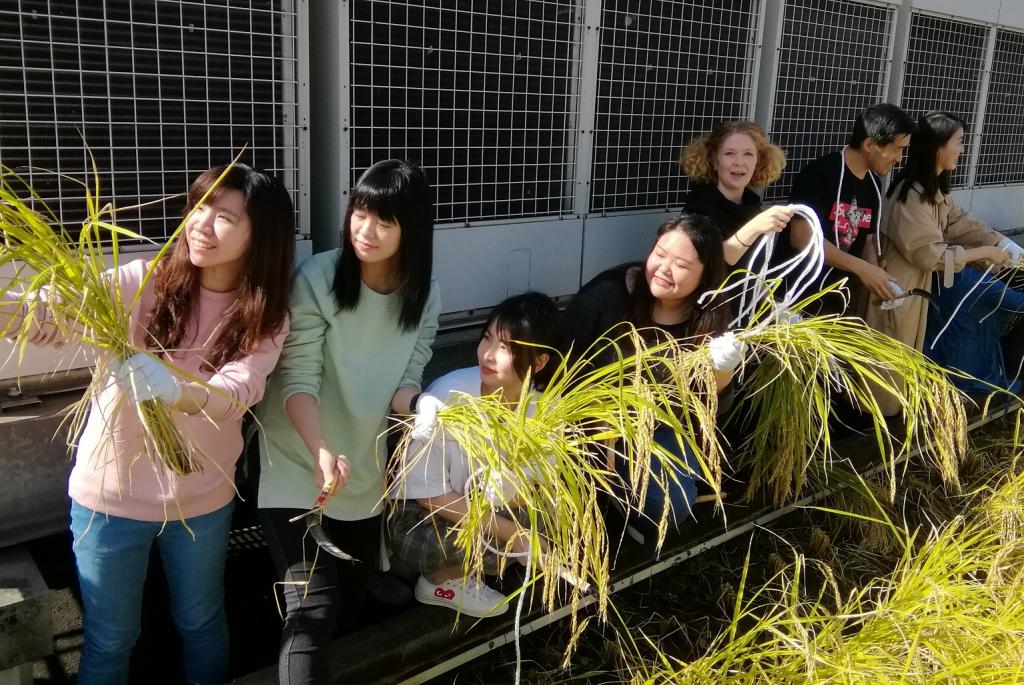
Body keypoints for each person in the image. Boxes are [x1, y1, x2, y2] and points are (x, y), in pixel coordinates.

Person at [1, 164, 295, 685]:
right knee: (111, 639)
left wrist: (177, 388)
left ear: (262, 235)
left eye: (225, 215)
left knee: (200, 621)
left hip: (201, 503)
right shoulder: (142, 281)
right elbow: (55, 318)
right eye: (199, 206)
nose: (201, 223)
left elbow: (239, 392)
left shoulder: (264, 315)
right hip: (109, 500)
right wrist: (18, 312)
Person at [256, 159, 441, 684]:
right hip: (297, 457)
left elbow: (408, 376)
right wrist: (317, 448)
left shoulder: (425, 294)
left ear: (413, 228)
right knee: (312, 608)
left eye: (385, 220)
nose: (366, 229)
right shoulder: (318, 277)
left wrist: (422, 405)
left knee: (352, 599)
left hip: (362, 467)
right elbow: (297, 379)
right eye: (360, 212)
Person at [562, 213, 745, 543]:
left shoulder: (709, 319)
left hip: (657, 429)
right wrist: (601, 420)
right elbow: (564, 363)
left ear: (705, 275)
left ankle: (630, 505)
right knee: (575, 491)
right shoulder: (610, 293)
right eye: (660, 254)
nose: (662, 269)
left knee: (669, 510)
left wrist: (723, 368)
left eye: (681, 265)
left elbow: (708, 409)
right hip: (587, 419)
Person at [389, 292, 563, 617]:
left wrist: (519, 518)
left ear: (539, 362)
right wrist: (516, 535)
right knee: (507, 540)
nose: (489, 355)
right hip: (422, 519)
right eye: (487, 339)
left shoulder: (544, 410)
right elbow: (430, 498)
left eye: (507, 347)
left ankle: (478, 569)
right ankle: (439, 581)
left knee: (548, 521)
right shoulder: (448, 396)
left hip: (482, 508)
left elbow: (535, 487)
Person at [863, 111, 1017, 414]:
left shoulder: (931, 192)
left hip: (910, 295)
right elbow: (929, 254)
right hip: (895, 293)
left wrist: (1000, 241)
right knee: (884, 379)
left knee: (900, 374)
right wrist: (983, 253)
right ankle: (869, 435)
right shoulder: (911, 197)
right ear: (937, 147)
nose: (962, 149)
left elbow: (959, 221)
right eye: (958, 142)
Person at [783, 103, 918, 313]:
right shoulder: (819, 173)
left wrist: (879, 278)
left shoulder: (874, 183)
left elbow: (867, 240)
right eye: (897, 149)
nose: (900, 159)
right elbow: (801, 238)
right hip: (797, 300)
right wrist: (862, 268)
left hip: (839, 302)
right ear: (869, 144)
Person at [680, 121, 794, 271]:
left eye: (748, 154)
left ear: (758, 161)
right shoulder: (697, 209)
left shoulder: (753, 207)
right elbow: (708, 263)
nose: (739, 162)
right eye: (729, 153)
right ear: (714, 160)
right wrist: (754, 227)